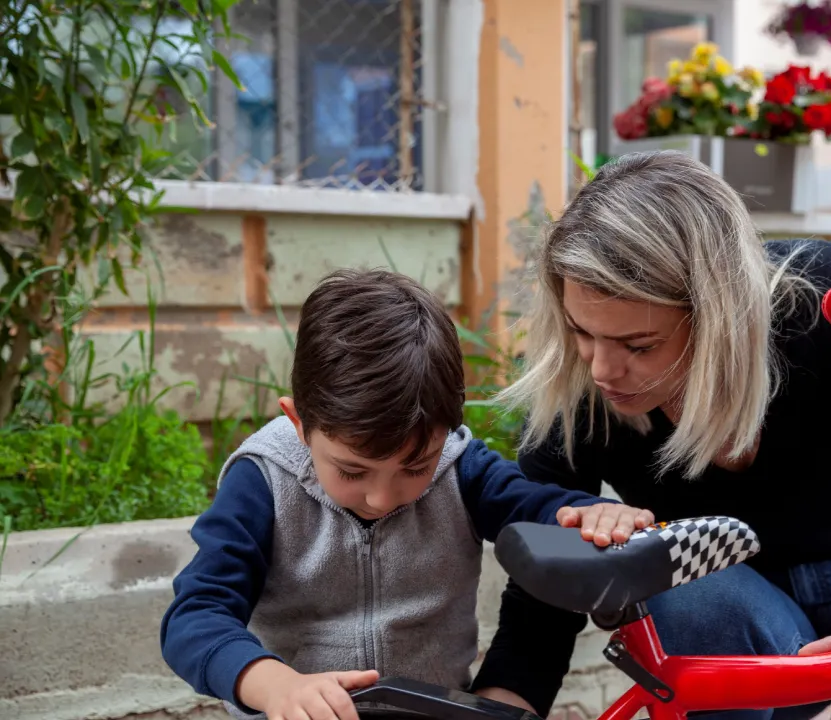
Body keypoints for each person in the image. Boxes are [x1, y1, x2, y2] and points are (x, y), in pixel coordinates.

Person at [467, 151, 831, 720]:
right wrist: (498, 709)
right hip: (724, 606)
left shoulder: (830, 292)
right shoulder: (582, 386)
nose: (602, 369)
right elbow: (546, 589)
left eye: (638, 345)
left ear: (719, 317)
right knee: (688, 601)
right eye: (583, 332)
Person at [159, 268, 653, 720]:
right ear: (299, 423)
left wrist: (596, 515)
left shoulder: (462, 469)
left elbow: (539, 506)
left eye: (415, 466)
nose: (381, 496)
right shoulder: (262, 482)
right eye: (352, 471)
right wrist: (274, 686)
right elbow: (196, 615)